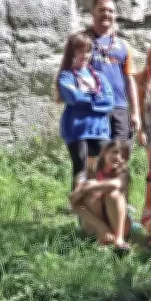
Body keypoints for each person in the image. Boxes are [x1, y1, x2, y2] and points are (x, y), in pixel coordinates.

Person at [55, 32, 115, 190]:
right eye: (80, 51)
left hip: (100, 130)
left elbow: (109, 102)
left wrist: (87, 101)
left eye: (88, 51)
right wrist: (96, 100)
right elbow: (73, 97)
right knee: (80, 169)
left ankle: (105, 208)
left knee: (108, 165)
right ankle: (81, 211)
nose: (85, 55)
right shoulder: (66, 76)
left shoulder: (100, 77)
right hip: (78, 131)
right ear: (72, 52)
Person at [85, 0, 140, 143]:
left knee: (120, 157)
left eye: (110, 11)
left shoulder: (123, 45)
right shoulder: (83, 42)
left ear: (115, 15)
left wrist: (135, 112)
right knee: (96, 157)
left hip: (119, 109)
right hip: (93, 108)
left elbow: (130, 80)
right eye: (102, 10)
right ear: (93, 12)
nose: (106, 14)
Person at [69, 141, 133, 251]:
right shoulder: (88, 171)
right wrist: (101, 226)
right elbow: (73, 203)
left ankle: (119, 241)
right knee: (92, 196)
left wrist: (89, 186)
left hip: (120, 224)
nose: (118, 157)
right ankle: (102, 236)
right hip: (93, 225)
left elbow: (117, 183)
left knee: (114, 193)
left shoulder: (123, 172)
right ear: (104, 152)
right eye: (115, 152)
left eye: (123, 156)